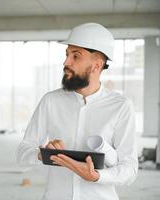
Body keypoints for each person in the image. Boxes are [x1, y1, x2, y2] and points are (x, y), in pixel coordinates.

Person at [17, 23, 138, 200]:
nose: (66, 62)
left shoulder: (121, 106)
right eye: (67, 55)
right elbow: (22, 153)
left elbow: (130, 169)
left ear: (97, 66)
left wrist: (97, 176)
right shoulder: (50, 101)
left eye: (76, 56)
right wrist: (41, 153)